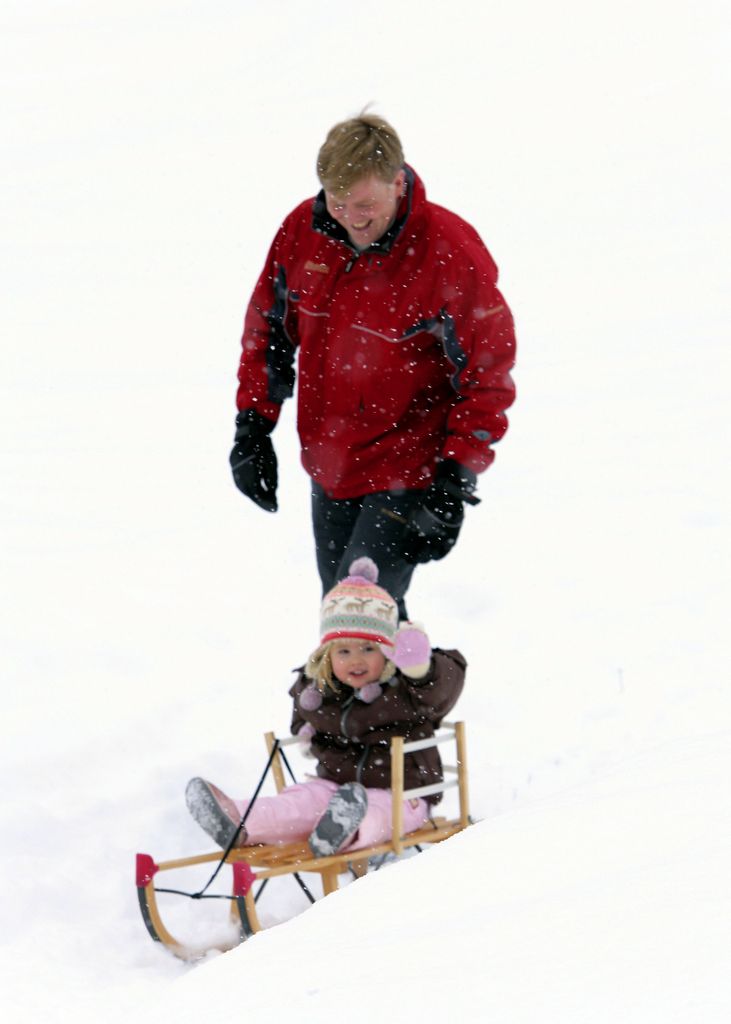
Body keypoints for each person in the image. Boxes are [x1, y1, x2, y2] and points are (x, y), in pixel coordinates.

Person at [230, 112, 516, 618]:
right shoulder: (303, 232)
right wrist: (253, 427)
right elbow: (268, 333)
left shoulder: (449, 251)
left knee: (357, 617)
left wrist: (455, 479)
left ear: (398, 182)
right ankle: (415, 682)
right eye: (338, 204)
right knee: (347, 621)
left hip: (407, 464)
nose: (351, 218)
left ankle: (386, 689)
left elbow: (487, 377)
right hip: (330, 461)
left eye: (365, 204)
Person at [185, 557, 465, 857]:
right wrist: (305, 732)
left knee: (378, 814)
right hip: (334, 786)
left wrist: (420, 669)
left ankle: (345, 831)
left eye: (368, 649)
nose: (355, 660)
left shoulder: (404, 690)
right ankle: (240, 820)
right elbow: (302, 716)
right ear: (327, 655)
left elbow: (441, 690)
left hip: (401, 793)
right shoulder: (321, 691)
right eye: (343, 651)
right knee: (299, 803)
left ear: (388, 651)